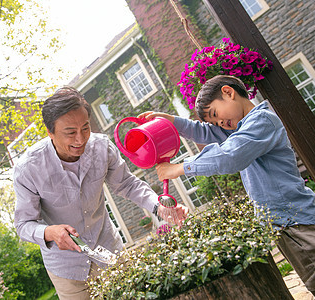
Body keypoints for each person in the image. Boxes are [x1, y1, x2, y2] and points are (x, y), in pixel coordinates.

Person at [139, 75, 315, 299]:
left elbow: (230, 155)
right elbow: (204, 132)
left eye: (217, 115)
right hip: (286, 225)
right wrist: (171, 121)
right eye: (217, 123)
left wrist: (180, 168)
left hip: (300, 223)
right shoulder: (239, 127)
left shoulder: (262, 121)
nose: (221, 124)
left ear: (228, 92)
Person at [13, 86, 188, 300]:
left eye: (85, 128)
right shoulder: (28, 168)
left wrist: (158, 206)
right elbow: (23, 224)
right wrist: (50, 232)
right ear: (50, 132)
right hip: (67, 270)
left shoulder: (101, 147)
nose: (80, 140)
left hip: (109, 250)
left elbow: (126, 184)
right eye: (70, 133)